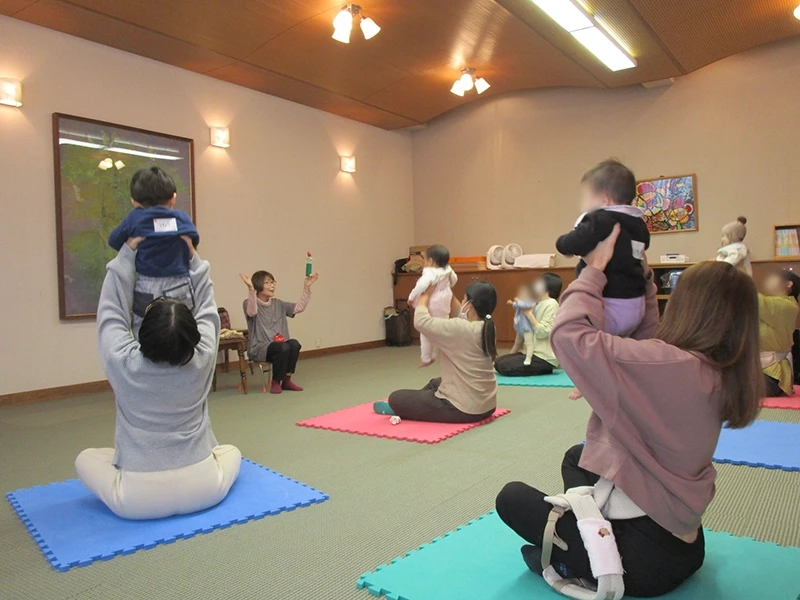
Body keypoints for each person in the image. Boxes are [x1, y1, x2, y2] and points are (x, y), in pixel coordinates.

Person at [496, 226, 763, 597]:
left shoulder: (669, 364)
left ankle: (586, 556)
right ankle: (585, 539)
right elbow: (649, 339)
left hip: (639, 562)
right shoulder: (722, 369)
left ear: (686, 307)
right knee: (577, 457)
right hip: (686, 547)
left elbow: (568, 337)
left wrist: (594, 271)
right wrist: (640, 277)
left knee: (511, 498)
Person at [75, 236, 241, 520]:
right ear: (193, 335)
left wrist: (126, 255)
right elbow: (207, 309)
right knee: (231, 451)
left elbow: (111, 311)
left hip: (137, 500)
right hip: (205, 489)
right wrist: (194, 259)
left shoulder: (122, 362)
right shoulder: (203, 358)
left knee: (85, 458)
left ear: (143, 334)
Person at [374, 280, 498, 423]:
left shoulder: (459, 329)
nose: (462, 302)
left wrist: (425, 296)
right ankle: (415, 406)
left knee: (396, 398)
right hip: (487, 406)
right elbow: (460, 313)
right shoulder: (488, 327)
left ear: (469, 305)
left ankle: (404, 408)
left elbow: (421, 322)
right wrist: (445, 289)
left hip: (463, 410)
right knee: (435, 383)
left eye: (464, 299)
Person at [108, 166, 199, 337]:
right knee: (183, 326)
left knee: (143, 330)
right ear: (173, 199)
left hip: (147, 283)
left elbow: (114, 240)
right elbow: (193, 238)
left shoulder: (135, 218)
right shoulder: (180, 218)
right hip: (179, 281)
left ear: (134, 202)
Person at [241, 269, 319, 394]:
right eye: (268, 283)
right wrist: (251, 289)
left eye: (273, 282)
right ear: (258, 285)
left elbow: (298, 308)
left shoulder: (278, 304)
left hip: (280, 345)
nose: (272, 286)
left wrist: (306, 288)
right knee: (282, 347)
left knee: (294, 344)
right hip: (260, 348)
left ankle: (287, 380)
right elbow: (252, 312)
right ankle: (276, 382)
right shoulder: (249, 303)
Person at [494, 273, 562, 377]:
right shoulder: (536, 303)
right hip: (530, 353)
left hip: (543, 357)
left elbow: (543, 333)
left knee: (504, 366)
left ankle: (544, 368)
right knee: (498, 362)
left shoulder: (551, 304)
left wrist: (528, 314)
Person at [407, 245, 458, 367]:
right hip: (445, 302)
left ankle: (426, 358)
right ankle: (434, 355)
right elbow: (454, 279)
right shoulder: (448, 270)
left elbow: (420, 287)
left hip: (433, 304)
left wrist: (411, 297)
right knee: (438, 331)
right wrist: (448, 286)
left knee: (425, 332)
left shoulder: (430, 273)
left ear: (430, 261)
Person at [759, 269, 800, 397]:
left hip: (771, 375)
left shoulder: (787, 306)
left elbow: (751, 298)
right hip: (755, 370)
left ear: (788, 284)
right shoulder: (768, 304)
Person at [507, 284, 537, 366]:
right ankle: (510, 355)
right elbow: (517, 305)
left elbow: (524, 305)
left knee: (529, 343)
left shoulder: (531, 302)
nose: (521, 295)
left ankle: (528, 358)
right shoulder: (521, 302)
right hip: (520, 328)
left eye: (524, 293)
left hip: (527, 328)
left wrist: (517, 300)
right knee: (517, 343)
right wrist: (512, 303)